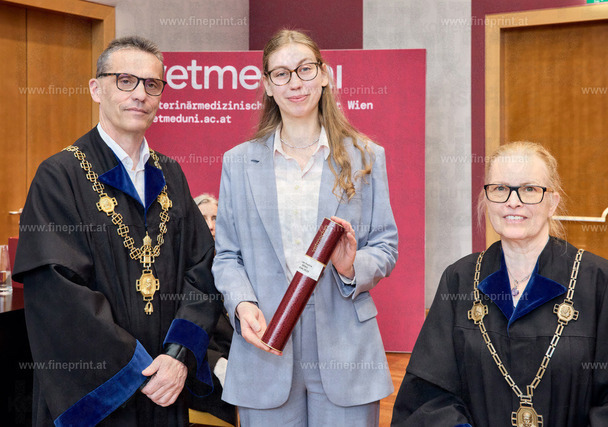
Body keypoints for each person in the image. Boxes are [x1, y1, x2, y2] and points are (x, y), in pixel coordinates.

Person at [13, 36, 222, 426]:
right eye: (125, 80)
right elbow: (57, 295)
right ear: (97, 89)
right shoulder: (60, 176)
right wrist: (137, 368)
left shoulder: (170, 174)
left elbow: (203, 268)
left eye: (152, 84)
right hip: (99, 393)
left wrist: (178, 357)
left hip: (166, 387)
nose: (140, 94)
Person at [212, 29, 398, 426]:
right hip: (266, 338)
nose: (295, 83)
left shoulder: (366, 157)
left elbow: (385, 244)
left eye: (305, 69)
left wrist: (351, 265)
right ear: (267, 85)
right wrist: (242, 304)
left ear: (324, 74)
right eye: (281, 74)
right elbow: (227, 255)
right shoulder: (238, 162)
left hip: (345, 342)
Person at [392, 141, 608, 427]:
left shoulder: (602, 282)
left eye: (529, 189)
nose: (513, 201)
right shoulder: (458, 279)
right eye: (500, 188)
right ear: (486, 199)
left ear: (552, 202)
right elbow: (427, 395)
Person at [186, 193, 236, 425]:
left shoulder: (237, 266)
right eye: (203, 218)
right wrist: (219, 364)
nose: (210, 225)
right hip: (205, 375)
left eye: (215, 218)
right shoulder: (186, 272)